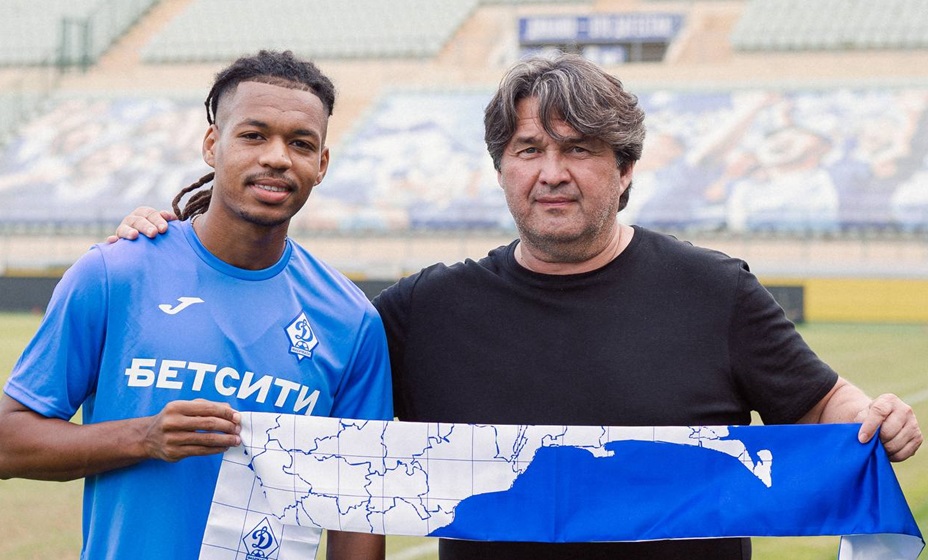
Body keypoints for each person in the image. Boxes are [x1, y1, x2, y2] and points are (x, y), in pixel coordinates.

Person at [111, 53, 922, 560]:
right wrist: (171, 243)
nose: (551, 173)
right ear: (501, 169)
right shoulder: (424, 311)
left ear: (624, 171)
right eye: (529, 150)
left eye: (579, 150)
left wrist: (874, 417)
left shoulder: (716, 292)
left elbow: (823, 403)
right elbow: (308, 406)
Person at [0, 50, 392, 560]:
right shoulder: (116, 273)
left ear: (321, 165)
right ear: (213, 145)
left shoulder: (351, 320)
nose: (277, 157)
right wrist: (144, 437)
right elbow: (8, 441)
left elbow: (358, 509)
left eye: (300, 143)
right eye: (253, 135)